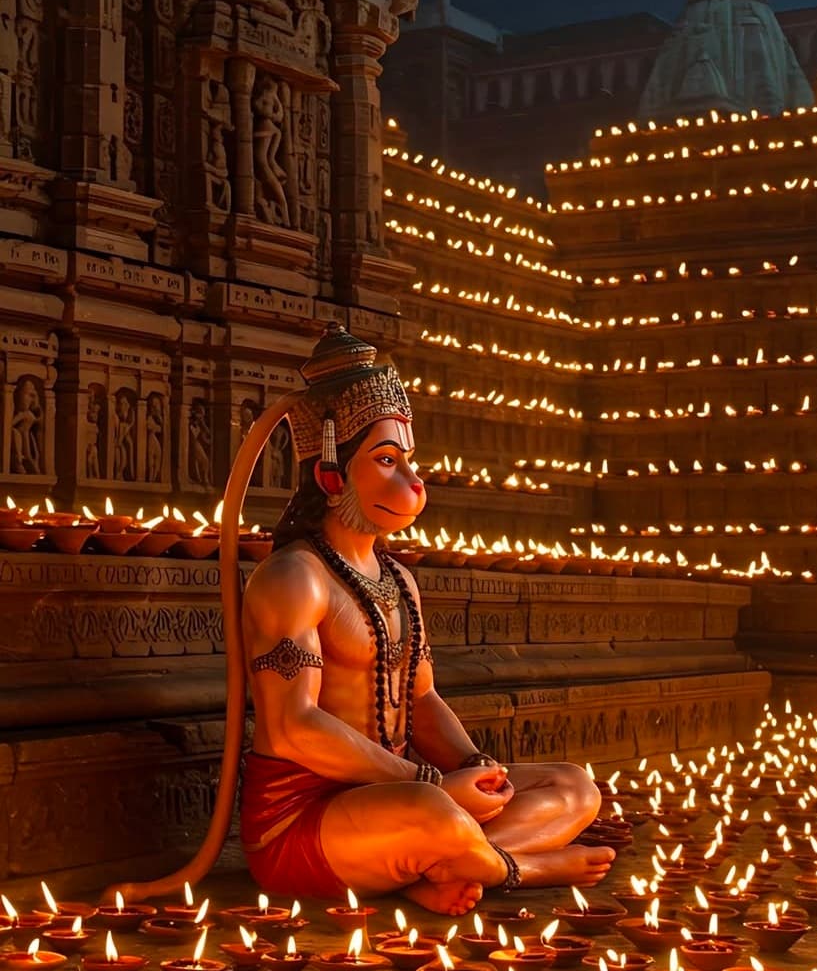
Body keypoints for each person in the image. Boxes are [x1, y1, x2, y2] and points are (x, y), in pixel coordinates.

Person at [239, 322, 613, 917]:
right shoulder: (293, 577)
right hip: (305, 820)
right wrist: (434, 786)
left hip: (402, 792)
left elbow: (423, 697)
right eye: (386, 461)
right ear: (329, 473)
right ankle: (518, 868)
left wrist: (472, 766)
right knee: (433, 815)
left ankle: (440, 866)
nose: (411, 483)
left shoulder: (398, 580)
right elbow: (291, 729)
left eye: (409, 461)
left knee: (572, 788)